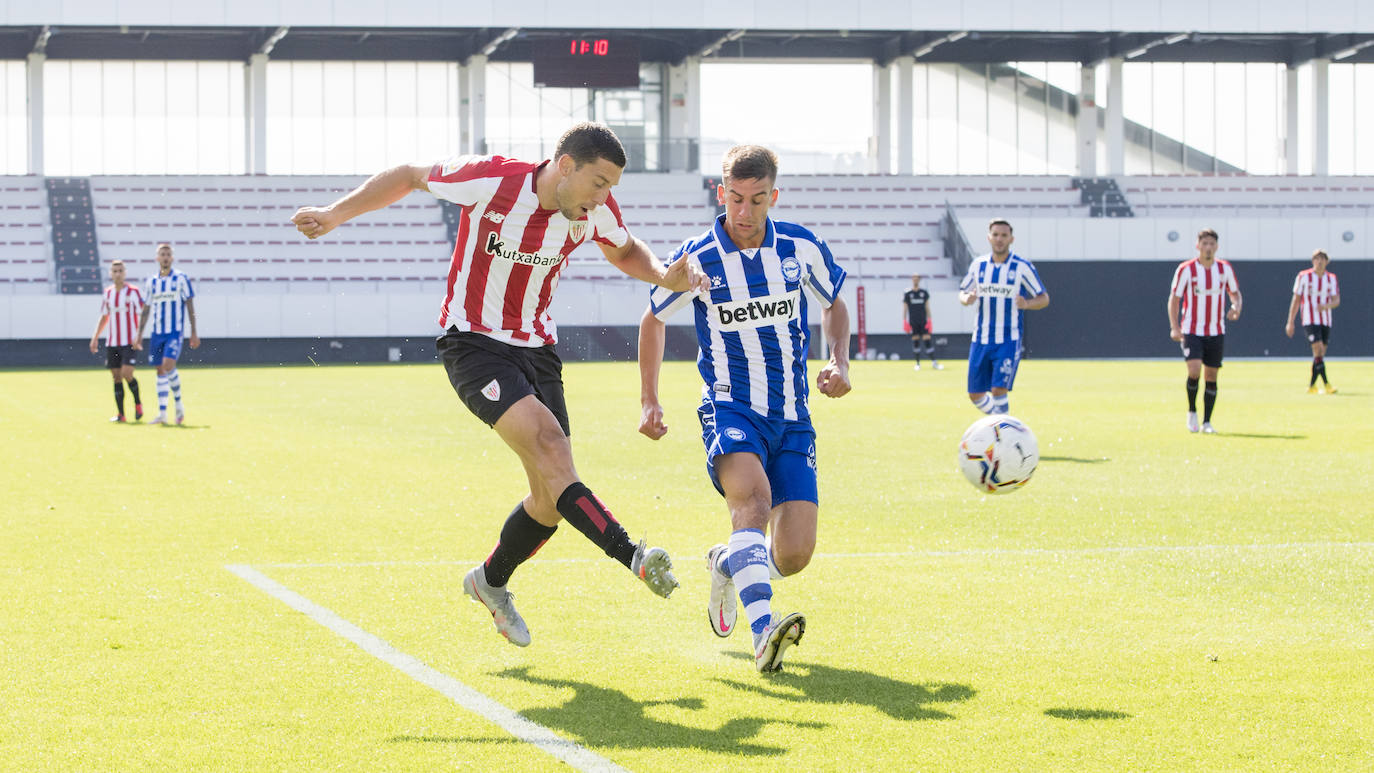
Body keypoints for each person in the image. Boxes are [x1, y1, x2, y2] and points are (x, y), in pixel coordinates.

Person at [291, 122, 705, 648]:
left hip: (538, 351)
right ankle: (634, 557)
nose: (605, 197)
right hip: (474, 345)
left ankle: (489, 581)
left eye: (612, 188)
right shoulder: (493, 180)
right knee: (554, 450)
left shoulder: (592, 213)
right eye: (599, 182)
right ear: (566, 166)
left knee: (551, 500)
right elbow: (409, 176)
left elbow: (625, 251)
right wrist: (333, 215)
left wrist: (665, 274)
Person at [637, 145, 852, 673]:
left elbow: (835, 304)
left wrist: (841, 361)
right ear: (721, 194)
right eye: (735, 198)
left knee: (795, 553)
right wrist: (649, 399)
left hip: (793, 415)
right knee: (752, 503)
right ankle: (763, 636)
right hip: (729, 407)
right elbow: (654, 319)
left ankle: (732, 561)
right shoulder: (697, 258)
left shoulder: (802, 247)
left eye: (757, 200)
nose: (745, 211)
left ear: (772, 196)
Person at [957, 219, 1049, 415]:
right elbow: (963, 292)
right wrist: (967, 299)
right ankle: (1002, 425)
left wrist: (1028, 304)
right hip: (980, 338)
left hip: (1008, 338)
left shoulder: (1022, 267)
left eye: (1004, 235)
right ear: (989, 238)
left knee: (999, 389)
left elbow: (1044, 298)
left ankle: (1003, 432)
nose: (999, 239)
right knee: (975, 394)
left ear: (1011, 239)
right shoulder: (978, 265)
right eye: (996, 235)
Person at [1168, 228, 1241, 434]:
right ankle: (1192, 412)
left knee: (1211, 375)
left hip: (1216, 330)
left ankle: (1207, 422)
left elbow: (1235, 294)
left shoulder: (1224, 269)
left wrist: (1236, 307)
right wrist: (1175, 326)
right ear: (1197, 245)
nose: (1208, 248)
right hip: (1191, 329)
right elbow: (1174, 298)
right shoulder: (1186, 269)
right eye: (1204, 244)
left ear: (1216, 247)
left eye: (1212, 244)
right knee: (1194, 370)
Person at [136, 243, 200, 425]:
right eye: (162, 254)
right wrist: (139, 333)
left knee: (167, 364)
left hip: (174, 332)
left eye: (168, 254)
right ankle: (162, 413)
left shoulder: (181, 278)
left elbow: (190, 304)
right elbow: (146, 308)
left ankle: (179, 404)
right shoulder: (151, 282)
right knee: (159, 370)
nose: (165, 257)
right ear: (157, 258)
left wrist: (193, 331)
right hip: (157, 333)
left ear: (172, 258)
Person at [89, 260, 146, 422]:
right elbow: (104, 316)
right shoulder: (108, 293)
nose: (118, 274)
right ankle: (121, 414)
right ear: (110, 274)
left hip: (130, 341)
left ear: (125, 273)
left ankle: (138, 404)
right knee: (116, 376)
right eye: (115, 271)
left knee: (127, 373)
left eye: (120, 270)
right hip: (112, 342)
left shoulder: (133, 292)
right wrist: (95, 338)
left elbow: (142, 314)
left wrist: (139, 335)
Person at [1285, 249, 1340, 394]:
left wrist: (1326, 306)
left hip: (1326, 320)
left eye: (1322, 259)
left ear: (1327, 262)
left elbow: (1336, 300)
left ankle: (1311, 386)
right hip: (1309, 319)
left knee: (1320, 354)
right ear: (1313, 261)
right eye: (1317, 258)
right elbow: (1296, 300)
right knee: (1318, 349)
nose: (1319, 261)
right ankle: (1327, 384)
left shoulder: (1331, 278)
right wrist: (1290, 321)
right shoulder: (1304, 276)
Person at [902, 273, 941, 370]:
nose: (915, 280)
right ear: (912, 280)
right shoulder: (908, 293)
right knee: (916, 342)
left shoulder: (924, 293)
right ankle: (917, 364)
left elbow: (927, 307)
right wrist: (904, 321)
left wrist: (930, 320)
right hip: (913, 321)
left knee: (927, 341)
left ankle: (934, 362)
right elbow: (905, 308)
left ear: (919, 280)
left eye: (917, 278)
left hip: (923, 321)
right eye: (913, 278)